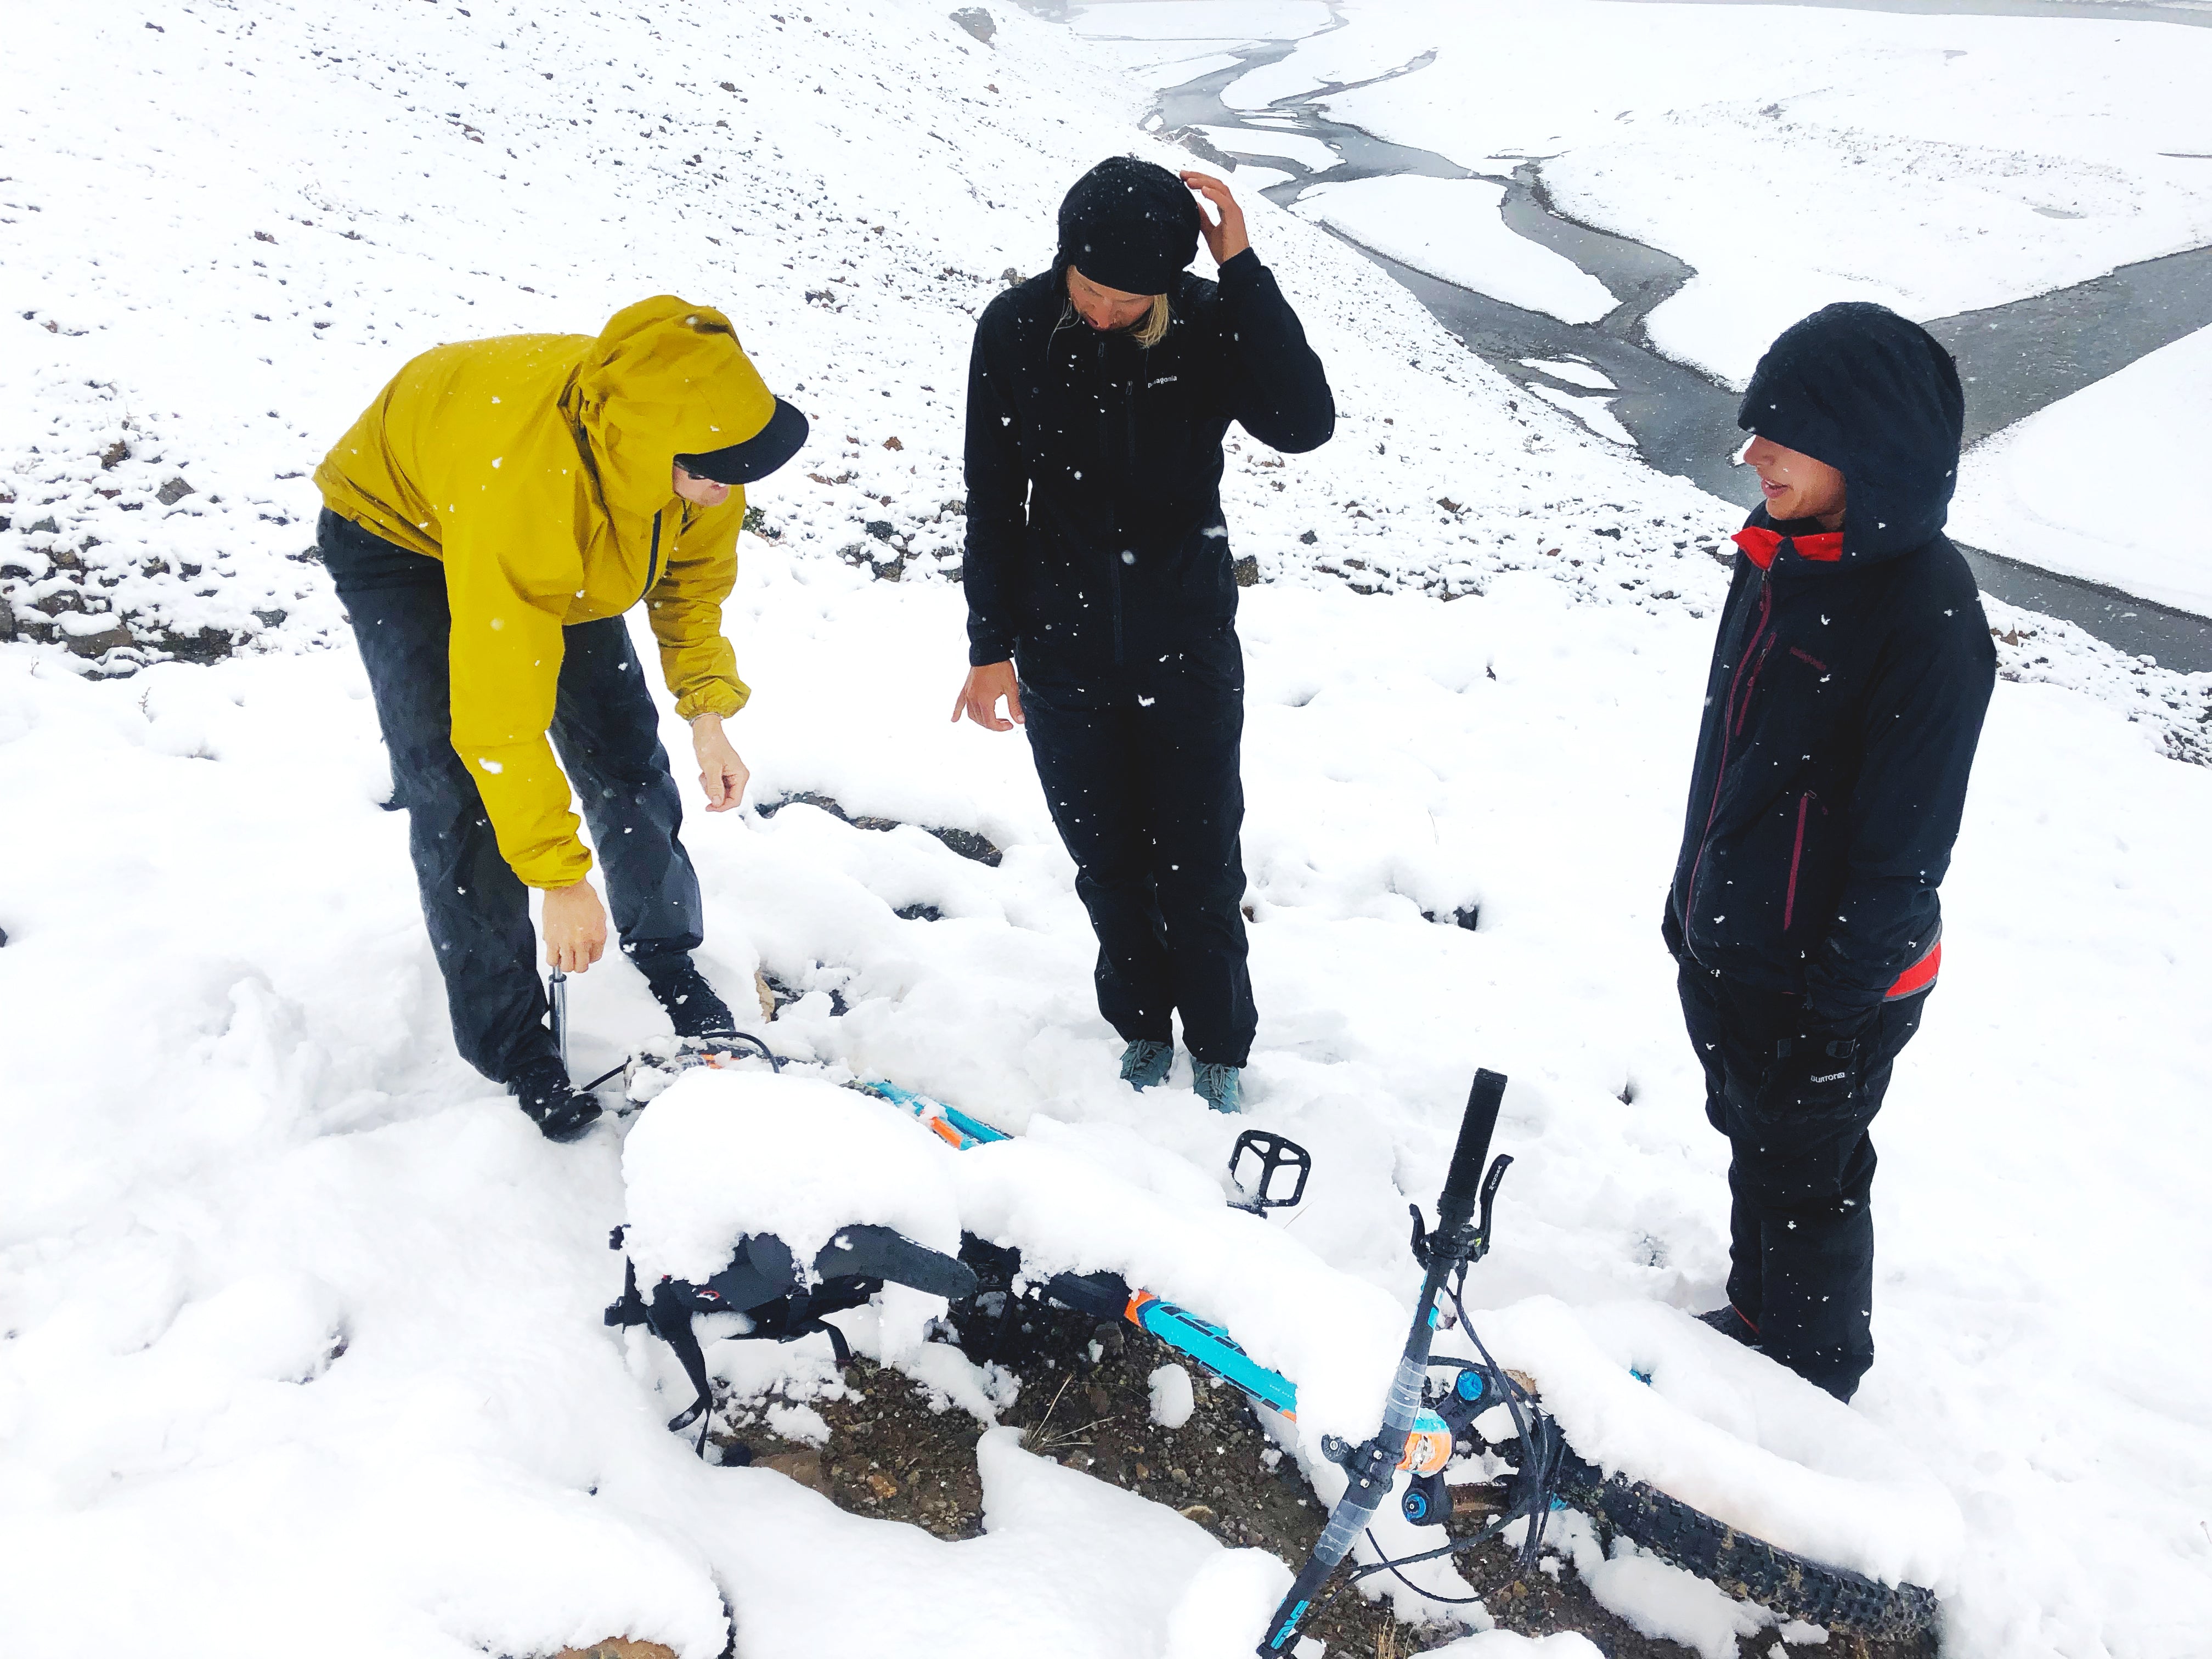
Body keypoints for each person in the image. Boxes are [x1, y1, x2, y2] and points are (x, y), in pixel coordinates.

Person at [314, 296, 808, 1141]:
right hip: (403, 535)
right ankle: (512, 1041)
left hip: (571, 520)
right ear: (655, 451)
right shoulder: (530, 492)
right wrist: (561, 878)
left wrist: (708, 713)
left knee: (623, 749)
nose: (732, 490)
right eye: (715, 472)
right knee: (459, 790)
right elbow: (499, 720)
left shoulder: (694, 460)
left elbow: (690, 591)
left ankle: (664, 948)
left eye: (741, 470)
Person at [950, 157, 1335, 1115]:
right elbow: (995, 496)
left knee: (1201, 859)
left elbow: (1303, 422)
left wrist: (1242, 270)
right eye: (1092, 291)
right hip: (1061, 646)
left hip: (1187, 640)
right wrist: (988, 645)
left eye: (1133, 299)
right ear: (1063, 261)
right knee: (1108, 860)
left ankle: (1217, 1042)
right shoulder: (1015, 329)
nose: (1107, 314)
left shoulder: (1206, 325)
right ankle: (1138, 1026)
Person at [1664, 302, 1996, 1401]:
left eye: (1780, 434)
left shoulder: (1926, 614)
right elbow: (1730, 753)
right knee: (1757, 1148)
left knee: (1809, 1177)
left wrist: (1833, 1021)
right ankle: (1758, 1319)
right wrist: (1690, 903)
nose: (1751, 453)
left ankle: (1808, 1393)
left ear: (1867, 451)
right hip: (1744, 943)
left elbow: (1904, 859)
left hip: (1834, 978)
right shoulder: (1776, 560)